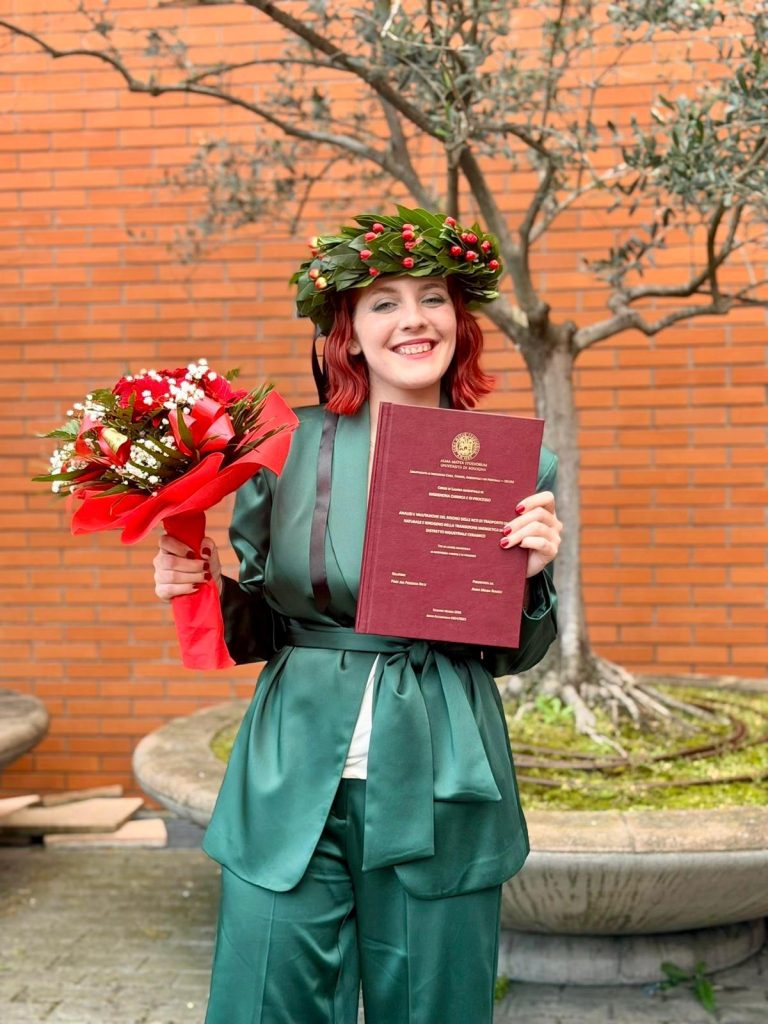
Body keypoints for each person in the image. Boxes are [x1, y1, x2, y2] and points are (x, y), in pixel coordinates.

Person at [153, 208, 563, 1024]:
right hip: (295, 763)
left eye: (434, 299)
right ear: (346, 333)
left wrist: (534, 580)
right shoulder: (278, 449)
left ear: (460, 322)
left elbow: (514, 654)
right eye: (383, 303)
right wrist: (199, 582)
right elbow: (265, 622)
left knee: (433, 1003)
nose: (413, 319)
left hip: (442, 770)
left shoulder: (516, 464)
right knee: (265, 993)